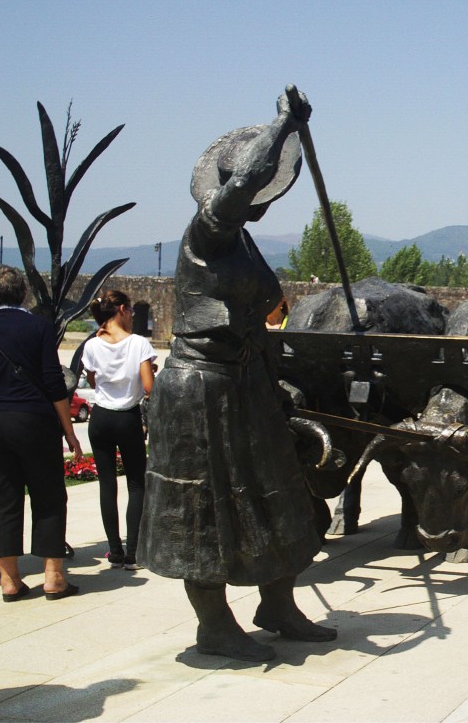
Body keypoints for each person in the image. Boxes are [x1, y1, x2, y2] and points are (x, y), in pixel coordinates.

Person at [138, 87, 335, 662]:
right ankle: (214, 625)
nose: (265, 198)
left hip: (246, 382)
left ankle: (278, 603)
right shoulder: (208, 232)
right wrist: (282, 128)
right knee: (203, 509)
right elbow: (240, 188)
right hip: (200, 389)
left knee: (279, 494)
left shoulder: (243, 243)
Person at [0, 265, 83, 600]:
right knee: (49, 494)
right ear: (23, 294)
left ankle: (9, 580)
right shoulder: (38, 326)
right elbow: (54, 382)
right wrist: (69, 431)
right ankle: (53, 576)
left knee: (1, 497)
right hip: (33, 420)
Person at [82, 289, 156, 570]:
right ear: (123, 310)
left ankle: (114, 550)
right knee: (136, 483)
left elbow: (92, 381)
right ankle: (133, 552)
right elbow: (148, 387)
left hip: (100, 418)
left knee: (106, 483)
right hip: (127, 417)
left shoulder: (92, 345)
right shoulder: (138, 344)